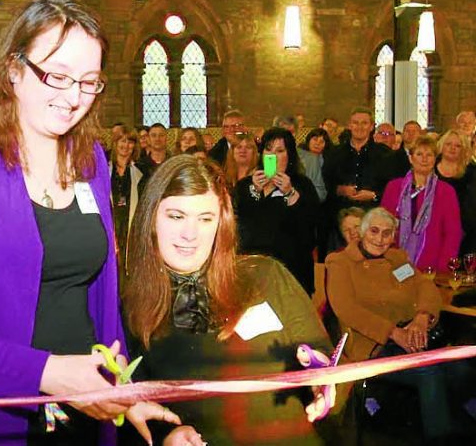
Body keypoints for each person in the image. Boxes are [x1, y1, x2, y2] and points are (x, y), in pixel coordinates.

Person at [0, 0, 171, 445]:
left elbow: (98, 291)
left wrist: (121, 388)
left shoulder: (91, 160)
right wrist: (44, 372)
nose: (73, 97)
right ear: (14, 69)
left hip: (84, 404)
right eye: (57, 76)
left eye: (89, 81)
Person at [121, 155, 338, 445]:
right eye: (176, 216)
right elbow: (129, 406)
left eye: (205, 218)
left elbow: (324, 356)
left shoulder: (265, 275)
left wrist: (323, 378)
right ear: (150, 221)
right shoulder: (132, 308)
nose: (190, 234)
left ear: (220, 223)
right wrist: (165, 436)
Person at [325, 207, 455, 440]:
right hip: (374, 345)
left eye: (387, 233)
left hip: (412, 335)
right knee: (429, 374)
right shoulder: (341, 262)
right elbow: (346, 309)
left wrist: (422, 317)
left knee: (462, 371)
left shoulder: (397, 259)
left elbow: (425, 287)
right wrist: (394, 333)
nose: (380, 238)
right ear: (362, 233)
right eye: (374, 231)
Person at [234, 128, 319, 294]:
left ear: (290, 155)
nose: (272, 155)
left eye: (280, 151)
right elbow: (241, 226)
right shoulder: (245, 186)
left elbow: (309, 232)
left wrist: (290, 194)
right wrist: (255, 192)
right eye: (268, 150)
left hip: (291, 272)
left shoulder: (303, 186)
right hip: (254, 273)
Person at [381, 136, 462, 272]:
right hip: (394, 262)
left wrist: (443, 268)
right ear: (410, 158)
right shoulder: (393, 187)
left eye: (429, 155)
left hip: (432, 265)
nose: (424, 159)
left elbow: (453, 233)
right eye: (419, 154)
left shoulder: (446, 191)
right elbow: (382, 225)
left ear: (435, 159)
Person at [109, 127, 143, 272]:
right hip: (111, 223)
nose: (126, 145)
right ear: (115, 143)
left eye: (130, 142)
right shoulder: (103, 169)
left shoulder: (141, 171)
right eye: (122, 141)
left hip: (130, 225)